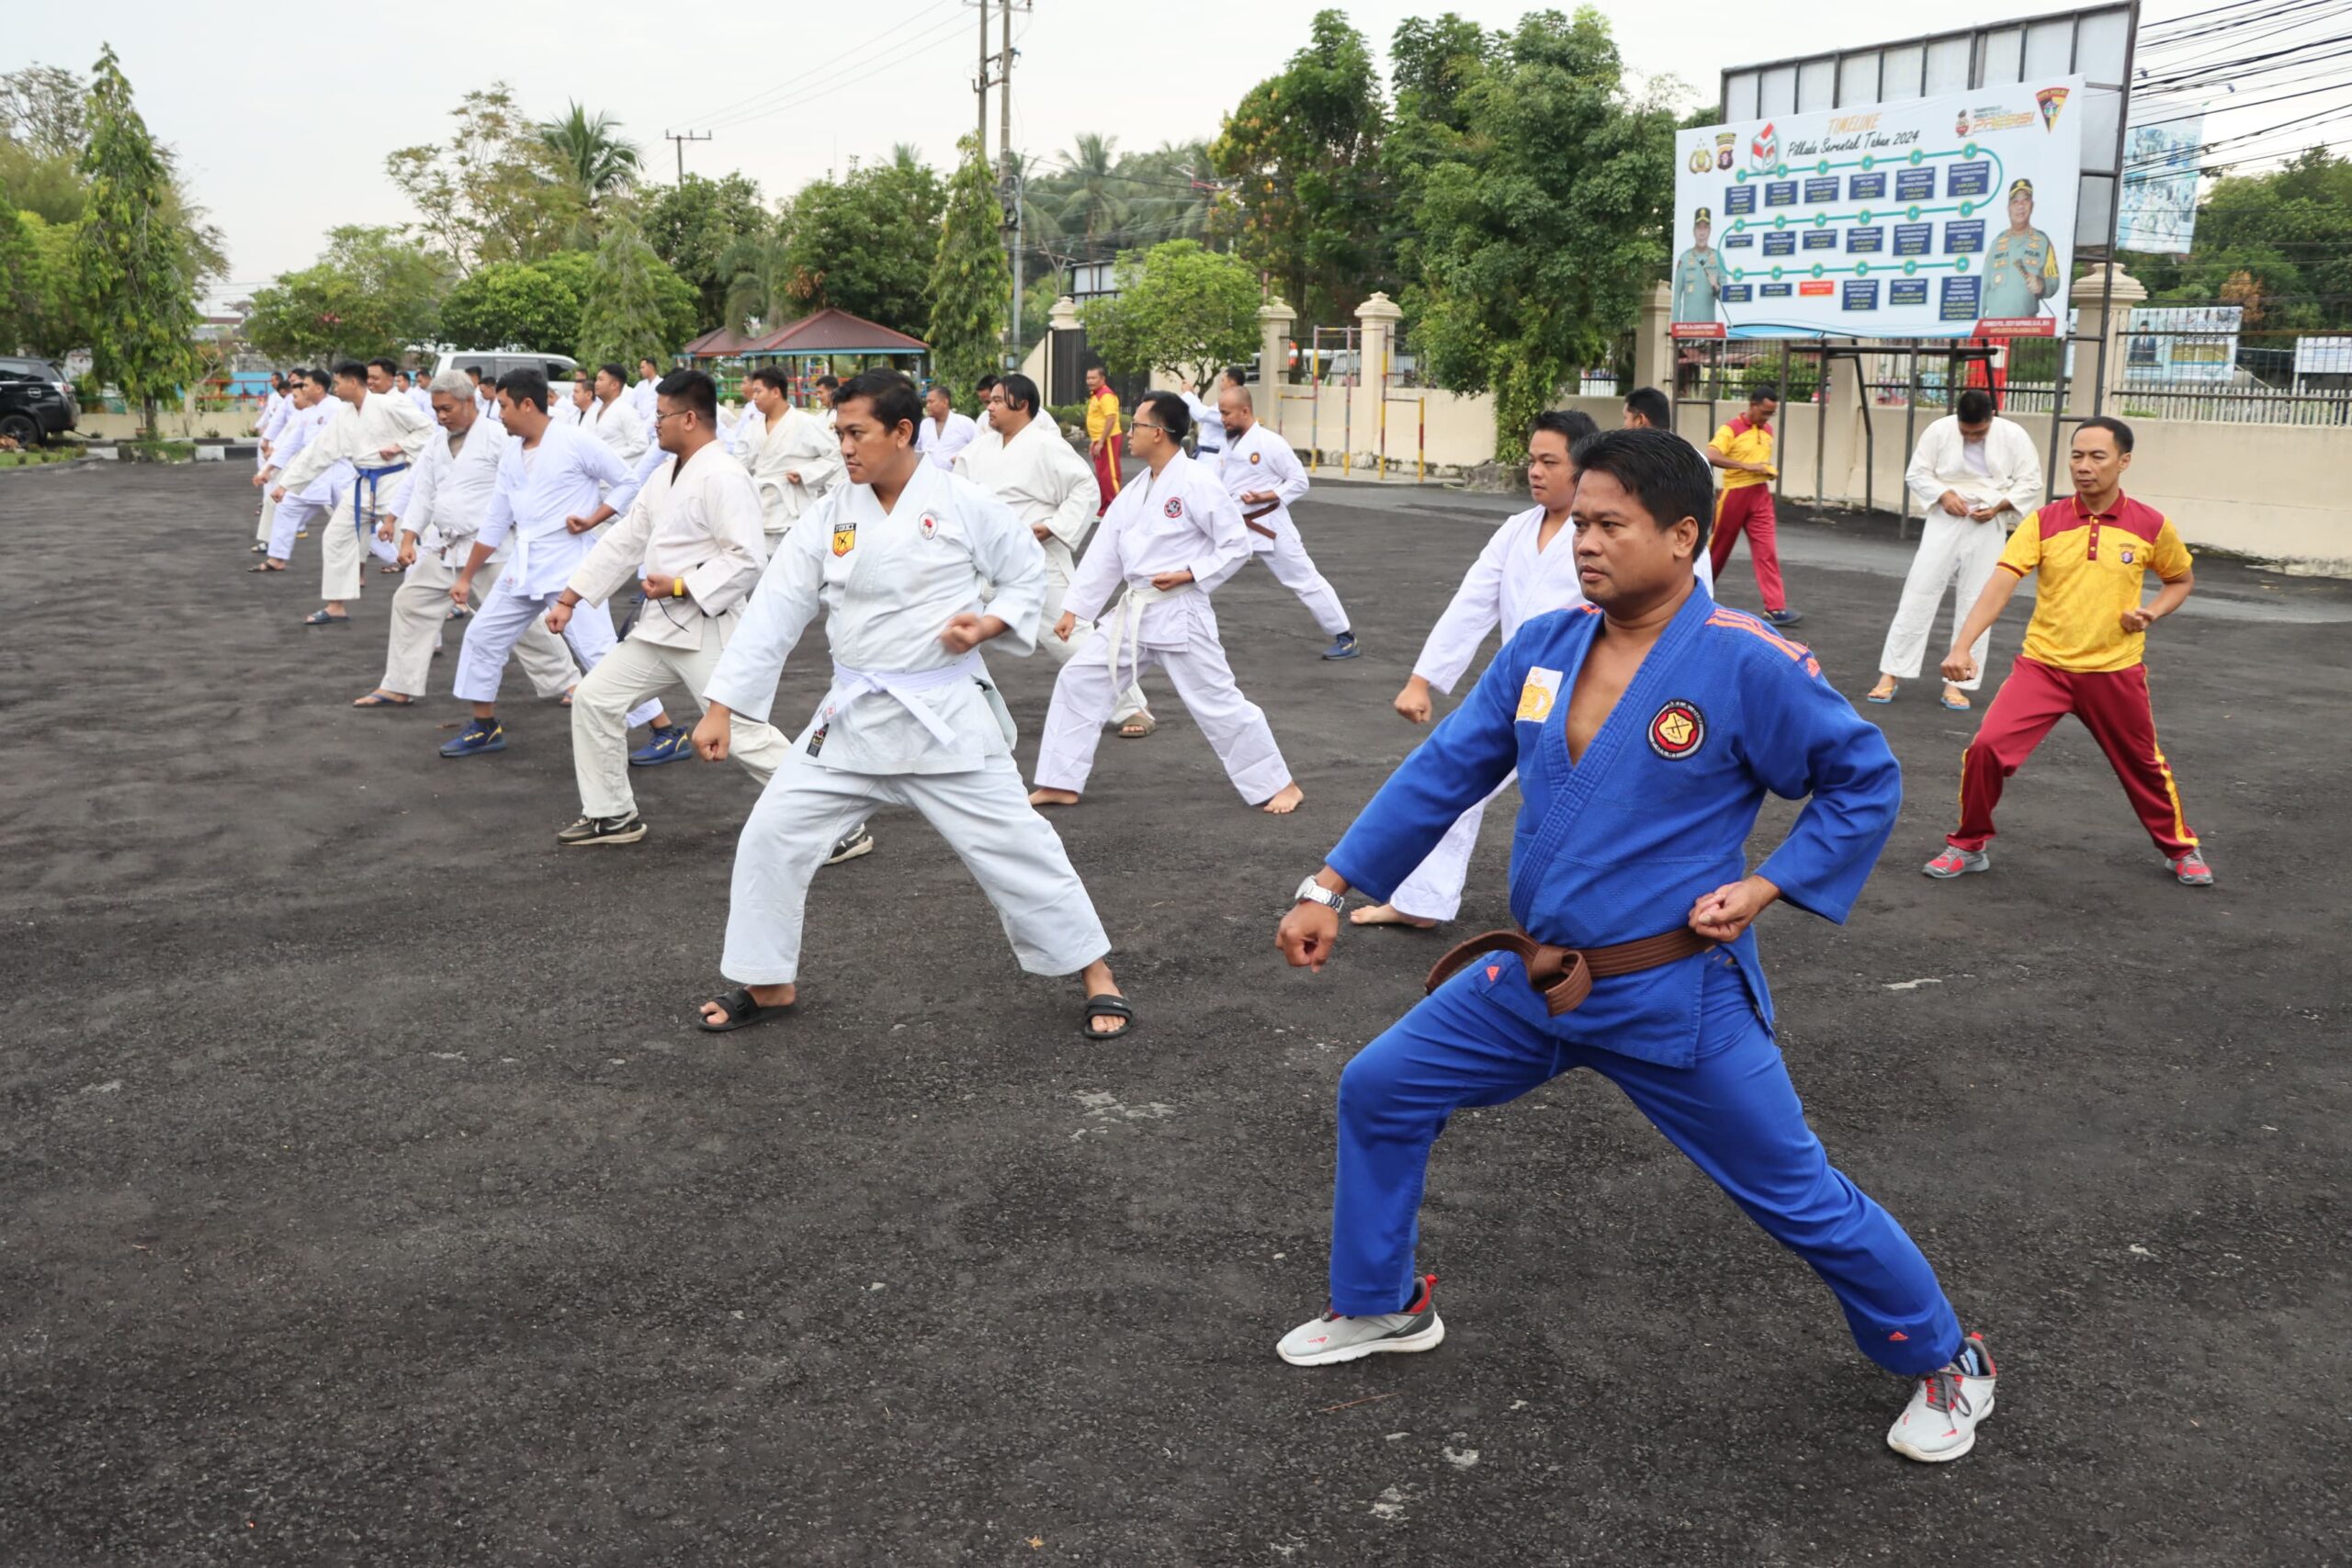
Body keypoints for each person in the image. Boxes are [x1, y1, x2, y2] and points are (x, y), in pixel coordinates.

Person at [1271, 427, 1998, 1465]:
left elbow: (1863, 777)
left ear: (1683, 536)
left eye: (1611, 524)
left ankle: (1946, 1358)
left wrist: (1767, 883)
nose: (1584, 543)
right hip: (1532, 978)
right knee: (1379, 1088)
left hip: (1673, 994)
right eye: (1578, 521)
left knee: (1796, 1194)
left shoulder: (1746, 662)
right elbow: (1444, 770)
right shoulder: (1543, 648)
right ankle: (1383, 1303)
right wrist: (1330, 884)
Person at [684, 369, 1134, 1041]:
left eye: (857, 432)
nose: (845, 448)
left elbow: (1023, 573)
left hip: (944, 718)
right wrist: (723, 704)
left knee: (1019, 846)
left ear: (901, 431)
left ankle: (1097, 972)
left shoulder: (961, 502)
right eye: (838, 434)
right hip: (854, 721)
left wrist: (985, 624)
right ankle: (767, 979)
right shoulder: (832, 513)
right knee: (770, 834)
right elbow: (776, 608)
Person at [1923, 416, 2211, 886]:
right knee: (1986, 750)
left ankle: (2181, 849)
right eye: (2077, 455)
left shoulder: (2151, 525)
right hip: (2044, 668)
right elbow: (2000, 585)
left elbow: (2180, 580)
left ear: (2124, 461)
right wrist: (1962, 645)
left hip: (2114, 670)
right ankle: (1968, 844)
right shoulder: (2043, 522)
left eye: (2098, 456)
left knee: (2144, 765)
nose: (2084, 466)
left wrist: (2152, 612)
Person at [1027, 390, 1304, 816]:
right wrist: (1075, 610)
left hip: (1180, 610)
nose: (1128, 432)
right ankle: (1060, 782)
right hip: (1135, 611)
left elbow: (1235, 545)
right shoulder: (1138, 488)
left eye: (1135, 426)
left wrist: (1191, 573)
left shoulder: (1196, 482)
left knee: (1217, 701)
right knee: (1078, 678)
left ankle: (1278, 784)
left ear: (1158, 433)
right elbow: (1106, 552)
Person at [545, 369, 789, 845]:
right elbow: (623, 541)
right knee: (595, 701)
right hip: (659, 630)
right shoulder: (663, 476)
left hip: (708, 627)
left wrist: (680, 585)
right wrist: (571, 597)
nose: (654, 425)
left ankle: (838, 827)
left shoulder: (724, 475)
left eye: (661, 416)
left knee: (745, 735)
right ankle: (612, 814)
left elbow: (746, 558)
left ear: (691, 418)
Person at [436, 367, 666, 759]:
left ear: (528, 404)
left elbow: (629, 481)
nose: (500, 415)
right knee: (482, 635)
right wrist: (467, 575)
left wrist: (595, 517)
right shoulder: (512, 454)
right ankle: (484, 725)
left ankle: (666, 729)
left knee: (598, 652)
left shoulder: (575, 441)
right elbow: (495, 520)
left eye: (504, 406)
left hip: (570, 565)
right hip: (523, 564)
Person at [351, 370, 579, 710]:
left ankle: (569, 682)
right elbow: (423, 491)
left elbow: (527, 485)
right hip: (445, 547)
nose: (441, 416)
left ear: (469, 402)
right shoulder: (435, 443)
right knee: (409, 603)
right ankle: (400, 684)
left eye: (447, 409)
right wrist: (408, 538)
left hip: (492, 548)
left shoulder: (498, 437)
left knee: (522, 622)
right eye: (437, 410)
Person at [956, 372, 1149, 736]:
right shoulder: (976, 451)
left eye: (998, 400)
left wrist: (1054, 527)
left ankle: (1132, 706)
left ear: (1022, 404)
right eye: (989, 402)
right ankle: (956, 711)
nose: (990, 407)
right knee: (950, 629)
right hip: (983, 563)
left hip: (1036, 559)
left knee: (1071, 637)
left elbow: (1084, 489)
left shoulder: (1046, 445)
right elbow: (958, 499)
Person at [1868, 389, 2045, 710]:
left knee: (1978, 599)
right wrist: (1942, 494)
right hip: (1945, 517)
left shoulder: (2014, 435)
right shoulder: (1939, 430)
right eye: (1966, 431)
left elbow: (2030, 482)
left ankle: (1957, 683)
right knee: (1919, 591)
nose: (1971, 436)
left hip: (1987, 519)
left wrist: (1999, 507)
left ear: (1993, 417)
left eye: (1979, 431)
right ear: (1958, 419)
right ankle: (1890, 674)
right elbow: (1917, 473)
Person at [271, 359, 434, 625]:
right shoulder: (345, 414)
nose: (334, 388)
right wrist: (286, 483)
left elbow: (428, 430)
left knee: (413, 545)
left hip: (394, 483)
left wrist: (400, 445)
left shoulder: (389, 404)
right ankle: (336, 605)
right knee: (335, 536)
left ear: (352, 382)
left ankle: (433, 609)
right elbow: (319, 451)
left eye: (337, 382)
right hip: (363, 486)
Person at [1216, 384, 1358, 660]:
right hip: (1235, 527)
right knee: (1201, 572)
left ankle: (1345, 636)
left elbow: (1299, 482)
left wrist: (1267, 495)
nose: (1222, 419)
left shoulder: (1270, 443)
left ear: (1245, 411)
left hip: (1269, 525)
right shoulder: (1228, 442)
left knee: (1304, 579)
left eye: (1226, 413)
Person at [1704, 385, 1800, 627]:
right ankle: (1692, 596)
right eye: (1765, 411)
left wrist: (1765, 470)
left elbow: (1759, 461)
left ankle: (1775, 607)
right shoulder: (1731, 429)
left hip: (1760, 495)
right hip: (1734, 494)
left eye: (1772, 413)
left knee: (1767, 550)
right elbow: (1711, 455)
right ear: (1753, 405)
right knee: (1717, 550)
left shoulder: (1767, 430)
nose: (1768, 418)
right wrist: (1748, 467)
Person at [741, 366, 843, 547]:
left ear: (775, 392)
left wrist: (805, 473)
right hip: (758, 510)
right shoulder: (751, 429)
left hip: (793, 512)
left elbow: (835, 453)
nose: (754, 397)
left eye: (758, 391)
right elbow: (739, 466)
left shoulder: (805, 423)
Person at [251, 370, 335, 573]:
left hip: (338, 475)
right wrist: (268, 470)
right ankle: (277, 558)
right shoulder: (307, 413)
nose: (302, 390)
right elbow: (291, 444)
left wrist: (283, 482)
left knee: (359, 521)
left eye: (305, 386)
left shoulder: (336, 407)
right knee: (287, 507)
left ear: (319, 388)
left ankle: (400, 555)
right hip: (312, 474)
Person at [1981, 180, 2059, 321]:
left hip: (2026, 327)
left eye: (2025, 200)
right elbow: (1983, 286)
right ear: (2008, 208)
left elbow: (2054, 282)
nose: (2020, 206)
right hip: (1992, 328)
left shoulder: (2043, 242)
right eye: (2015, 202)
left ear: (2032, 206)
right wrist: (1976, 325)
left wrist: (2042, 285)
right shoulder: (1996, 243)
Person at [585, 363, 649, 465]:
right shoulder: (594, 410)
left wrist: (608, 455)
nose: (596, 384)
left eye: (601, 380)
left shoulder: (626, 411)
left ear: (614, 385)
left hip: (614, 473)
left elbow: (641, 445)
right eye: (596, 379)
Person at [1672, 207, 1725, 327]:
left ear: (1710, 231)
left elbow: (1726, 297)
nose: (1702, 232)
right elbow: (1676, 296)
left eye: (1705, 228)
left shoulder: (1718, 258)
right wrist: (1675, 326)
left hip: (1709, 330)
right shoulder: (1684, 259)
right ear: (1694, 231)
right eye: (1699, 228)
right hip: (1688, 329)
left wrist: (1716, 286)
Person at [1083, 366, 1122, 516]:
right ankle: (1104, 510)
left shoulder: (1105, 395)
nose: (1090, 381)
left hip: (1109, 440)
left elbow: (1111, 418)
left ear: (1102, 379)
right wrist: (1095, 440)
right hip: (1101, 439)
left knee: (1109, 475)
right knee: (1102, 475)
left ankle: (1116, 510)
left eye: (1093, 378)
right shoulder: (1097, 395)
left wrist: (1101, 442)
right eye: (1088, 378)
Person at [916, 383, 978, 471]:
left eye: (931, 402)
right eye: (927, 402)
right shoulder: (924, 425)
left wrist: (960, 458)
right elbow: (917, 450)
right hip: (930, 477)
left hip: (957, 477)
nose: (927, 406)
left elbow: (978, 447)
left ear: (945, 402)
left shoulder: (965, 423)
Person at [1179, 374, 1224, 473]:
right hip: (1206, 455)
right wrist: (1191, 394)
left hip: (1213, 458)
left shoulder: (1230, 406)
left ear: (1233, 382)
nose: (1221, 383)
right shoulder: (1222, 403)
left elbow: (1201, 414)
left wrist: (1187, 393)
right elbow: (1205, 416)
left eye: (1224, 380)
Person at [628, 355, 663, 425]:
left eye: (643, 367)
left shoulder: (661, 383)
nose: (641, 370)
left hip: (654, 423)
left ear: (651, 367)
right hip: (639, 421)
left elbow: (660, 407)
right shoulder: (640, 385)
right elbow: (630, 402)